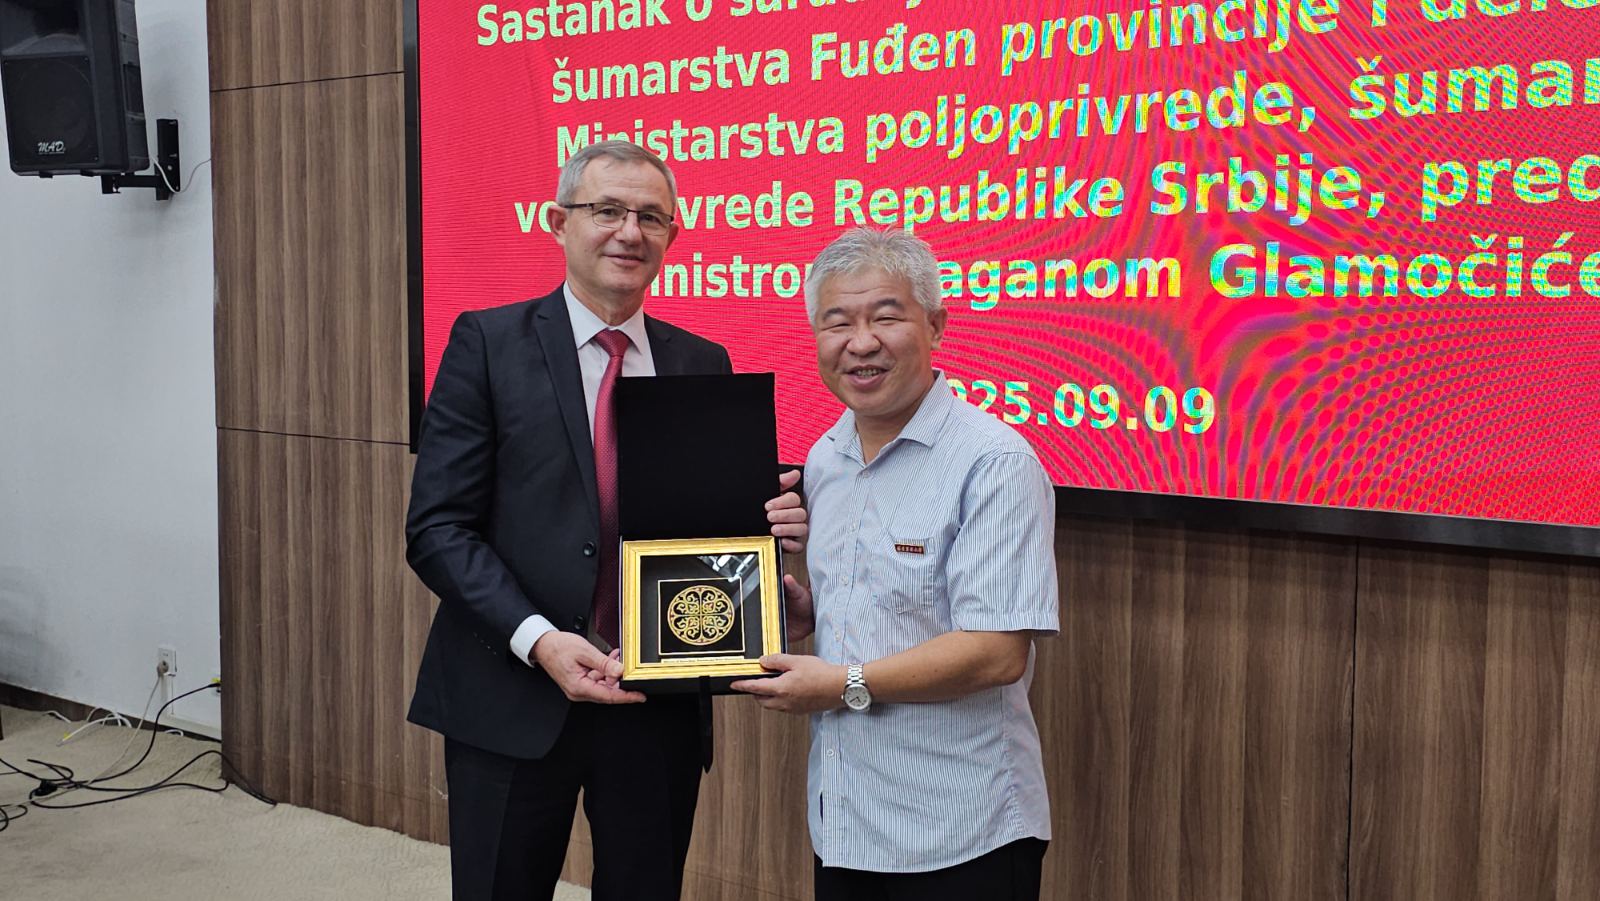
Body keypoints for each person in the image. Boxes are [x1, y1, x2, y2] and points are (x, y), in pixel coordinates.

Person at [405, 140, 808, 901]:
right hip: (513, 688)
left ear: (673, 236)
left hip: (657, 701)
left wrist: (765, 521)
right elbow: (437, 529)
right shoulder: (487, 343)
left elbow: (707, 530)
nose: (630, 231)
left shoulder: (702, 362)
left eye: (651, 217)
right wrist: (540, 640)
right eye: (608, 210)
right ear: (559, 223)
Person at [732, 227, 1059, 901]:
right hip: (845, 816)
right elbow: (884, 601)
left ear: (935, 325)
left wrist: (841, 684)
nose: (861, 342)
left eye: (885, 316)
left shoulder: (993, 461)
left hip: (961, 829)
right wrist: (807, 610)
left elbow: (997, 651)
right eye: (837, 322)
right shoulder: (825, 457)